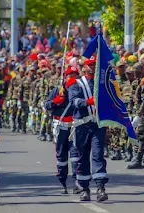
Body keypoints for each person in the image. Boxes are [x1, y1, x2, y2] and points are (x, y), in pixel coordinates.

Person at [68, 56, 108, 202]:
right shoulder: (76, 83)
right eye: (89, 65)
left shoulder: (102, 83)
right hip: (82, 125)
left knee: (98, 156)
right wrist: (87, 102)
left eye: (94, 65)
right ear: (84, 67)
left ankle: (100, 188)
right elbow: (74, 101)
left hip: (97, 125)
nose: (91, 67)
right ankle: (84, 188)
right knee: (82, 157)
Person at [45, 66, 82, 194]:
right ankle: (63, 182)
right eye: (70, 75)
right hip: (60, 126)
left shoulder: (80, 90)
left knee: (75, 155)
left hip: (74, 126)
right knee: (61, 156)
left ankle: (77, 182)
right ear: (65, 77)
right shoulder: (57, 90)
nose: (72, 77)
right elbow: (47, 105)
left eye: (75, 75)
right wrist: (56, 101)